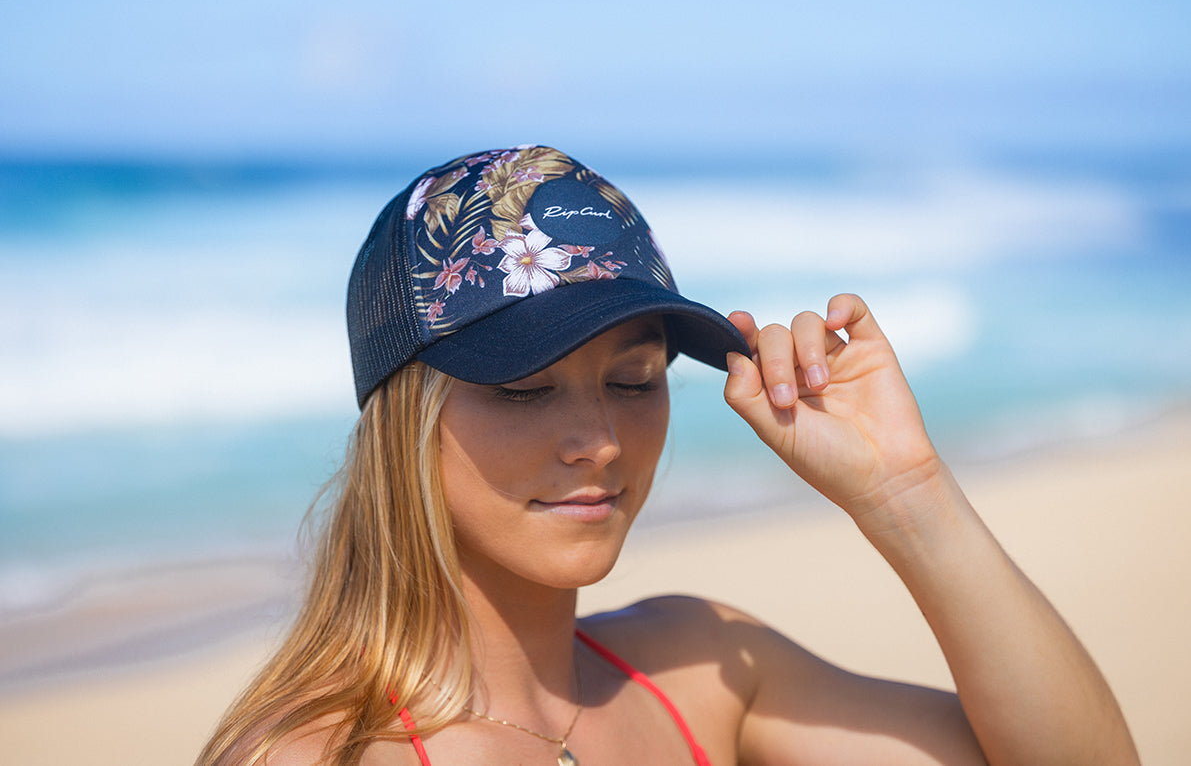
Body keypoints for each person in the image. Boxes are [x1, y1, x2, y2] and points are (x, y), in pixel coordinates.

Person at [197, 145, 1138, 765]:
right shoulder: (311, 755)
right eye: (524, 387)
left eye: (634, 380)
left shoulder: (697, 668)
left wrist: (906, 494)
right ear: (404, 416)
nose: (599, 441)